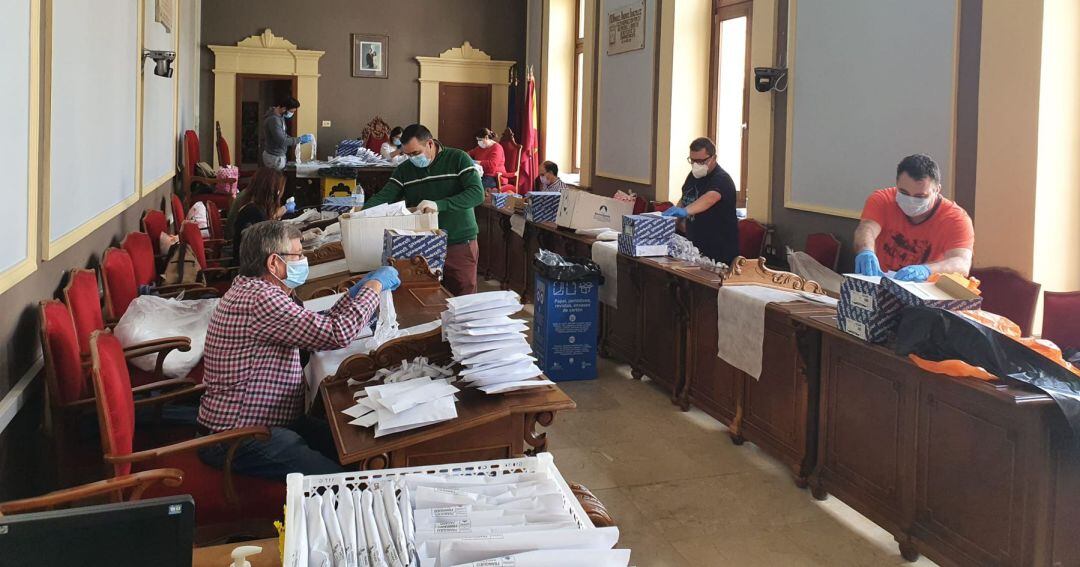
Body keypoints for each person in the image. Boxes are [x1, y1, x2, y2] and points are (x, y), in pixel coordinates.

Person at [197, 220, 401, 479]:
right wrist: (374, 287)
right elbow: (337, 333)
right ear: (274, 263)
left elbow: (313, 325)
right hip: (239, 438)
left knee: (355, 446)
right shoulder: (261, 298)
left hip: (269, 422)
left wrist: (354, 295)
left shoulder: (253, 288)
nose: (304, 260)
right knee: (342, 480)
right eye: (298, 255)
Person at [364, 124, 485, 296]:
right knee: (426, 297)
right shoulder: (405, 170)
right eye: (407, 154)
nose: (412, 158)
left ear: (429, 143)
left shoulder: (458, 158)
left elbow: (476, 193)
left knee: (463, 295)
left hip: (459, 241)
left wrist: (439, 205)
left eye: (415, 153)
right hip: (423, 246)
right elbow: (385, 196)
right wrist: (360, 213)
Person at [853, 154, 973, 282]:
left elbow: (962, 264)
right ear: (897, 184)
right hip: (880, 282)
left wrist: (927, 270)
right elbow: (867, 229)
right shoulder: (882, 199)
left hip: (924, 291)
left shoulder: (956, 219)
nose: (911, 200)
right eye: (904, 193)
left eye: (920, 196)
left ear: (937, 189)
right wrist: (866, 251)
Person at [662, 137, 739, 265]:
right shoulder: (693, 175)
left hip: (718, 251)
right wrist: (672, 222)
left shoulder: (722, 179)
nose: (696, 165)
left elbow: (709, 198)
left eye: (701, 161)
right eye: (692, 161)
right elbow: (685, 197)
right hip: (694, 246)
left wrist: (684, 211)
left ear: (713, 158)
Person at [232, 168, 287, 259]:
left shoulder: (254, 206)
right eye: (280, 189)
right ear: (274, 191)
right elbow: (270, 243)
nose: (281, 193)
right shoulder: (253, 211)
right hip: (250, 265)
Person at [261, 96, 313, 170]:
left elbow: (283, 135)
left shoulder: (280, 117)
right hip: (274, 157)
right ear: (284, 108)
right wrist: (299, 140)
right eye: (291, 112)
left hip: (277, 155)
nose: (292, 114)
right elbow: (282, 141)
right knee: (276, 180)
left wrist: (297, 140)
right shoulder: (274, 120)